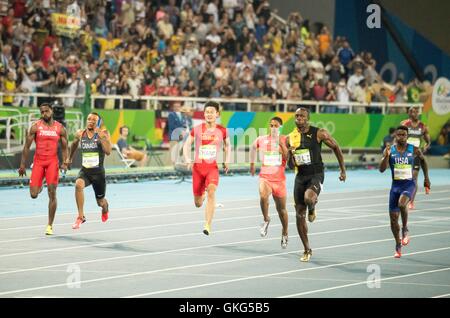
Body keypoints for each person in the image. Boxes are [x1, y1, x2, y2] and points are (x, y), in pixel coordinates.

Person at [287, 108, 346, 262]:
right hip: (300, 177)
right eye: (297, 116)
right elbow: (289, 165)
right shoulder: (291, 138)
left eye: (302, 116)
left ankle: (312, 208)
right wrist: (290, 154)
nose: (299, 118)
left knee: (308, 198)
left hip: (316, 174)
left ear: (308, 119)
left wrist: (342, 169)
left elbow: (336, 147)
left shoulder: (319, 133)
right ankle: (307, 249)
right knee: (299, 215)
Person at [379, 125, 431, 258]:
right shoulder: (390, 149)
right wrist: (386, 156)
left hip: (409, 184)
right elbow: (381, 169)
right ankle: (397, 245)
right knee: (393, 220)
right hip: (395, 187)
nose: (401, 137)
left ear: (407, 136)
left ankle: (405, 228)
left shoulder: (413, 149)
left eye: (403, 135)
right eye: (399, 135)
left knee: (402, 204)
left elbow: (424, 161)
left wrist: (426, 178)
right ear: (395, 136)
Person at [18, 103, 69, 235]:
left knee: (52, 192)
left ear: (51, 111)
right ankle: (42, 181)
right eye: (42, 112)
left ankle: (49, 225)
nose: (44, 114)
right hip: (38, 162)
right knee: (33, 195)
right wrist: (22, 165)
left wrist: (65, 161)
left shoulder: (60, 128)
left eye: (46, 111)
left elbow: (64, 148)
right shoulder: (35, 127)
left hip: (52, 162)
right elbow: (26, 147)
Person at [183, 101, 231, 235]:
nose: (209, 114)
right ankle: (201, 195)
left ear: (217, 114)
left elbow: (228, 146)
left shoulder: (222, 130)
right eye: (207, 112)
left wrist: (227, 160)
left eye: (212, 112)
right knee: (198, 203)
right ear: (204, 114)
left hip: (212, 169)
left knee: (212, 191)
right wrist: (187, 158)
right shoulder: (197, 129)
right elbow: (186, 145)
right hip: (198, 170)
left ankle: (207, 225)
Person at [66, 112, 112, 229]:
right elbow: (74, 144)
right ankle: (81, 217)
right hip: (85, 171)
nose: (91, 121)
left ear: (99, 122)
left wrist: (101, 137)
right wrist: (69, 158)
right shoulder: (80, 133)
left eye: (94, 120)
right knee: (78, 185)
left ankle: (105, 208)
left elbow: (108, 151)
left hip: (98, 174)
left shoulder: (104, 133)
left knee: (100, 202)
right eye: (89, 119)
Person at [250, 117, 289, 248]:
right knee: (262, 195)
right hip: (265, 177)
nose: (273, 128)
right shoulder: (261, 139)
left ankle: (284, 232)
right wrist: (252, 164)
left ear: (281, 127)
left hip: (279, 180)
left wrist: (280, 143)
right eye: (271, 125)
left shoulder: (285, 139)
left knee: (281, 210)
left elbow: (287, 158)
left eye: (276, 126)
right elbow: (252, 147)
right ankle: (266, 219)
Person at [400, 107, 431, 209]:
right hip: (405, 154)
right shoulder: (404, 124)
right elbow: (398, 138)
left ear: (418, 113)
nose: (413, 113)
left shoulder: (422, 126)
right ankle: (403, 196)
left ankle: (411, 202)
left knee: (414, 178)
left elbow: (428, 142)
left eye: (415, 112)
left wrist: (425, 148)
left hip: (416, 154)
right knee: (404, 178)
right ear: (408, 113)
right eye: (411, 112)